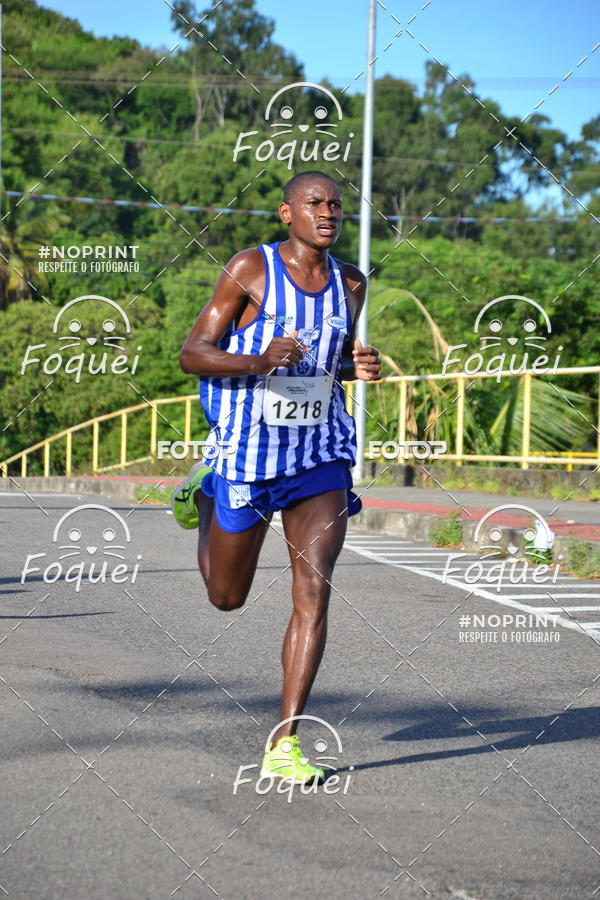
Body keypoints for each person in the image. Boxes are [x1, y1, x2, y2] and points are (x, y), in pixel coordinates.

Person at [172, 170, 381, 783]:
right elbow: (192, 354)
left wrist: (359, 364)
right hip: (250, 454)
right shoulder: (251, 269)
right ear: (287, 212)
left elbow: (332, 360)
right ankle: (207, 494)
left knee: (314, 588)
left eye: (336, 205)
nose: (328, 212)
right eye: (315, 203)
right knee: (226, 596)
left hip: (319, 455)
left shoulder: (351, 282)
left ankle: (284, 742)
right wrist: (258, 359)